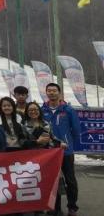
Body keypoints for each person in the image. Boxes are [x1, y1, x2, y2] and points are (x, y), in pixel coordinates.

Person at [42, 83, 81, 216]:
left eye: (54, 91)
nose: (52, 93)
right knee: (52, 180)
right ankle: (55, 207)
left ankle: (72, 207)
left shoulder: (68, 110)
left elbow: (76, 131)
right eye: (49, 91)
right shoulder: (42, 110)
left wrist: (68, 143)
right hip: (49, 153)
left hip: (66, 152)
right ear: (46, 93)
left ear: (59, 93)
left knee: (70, 180)